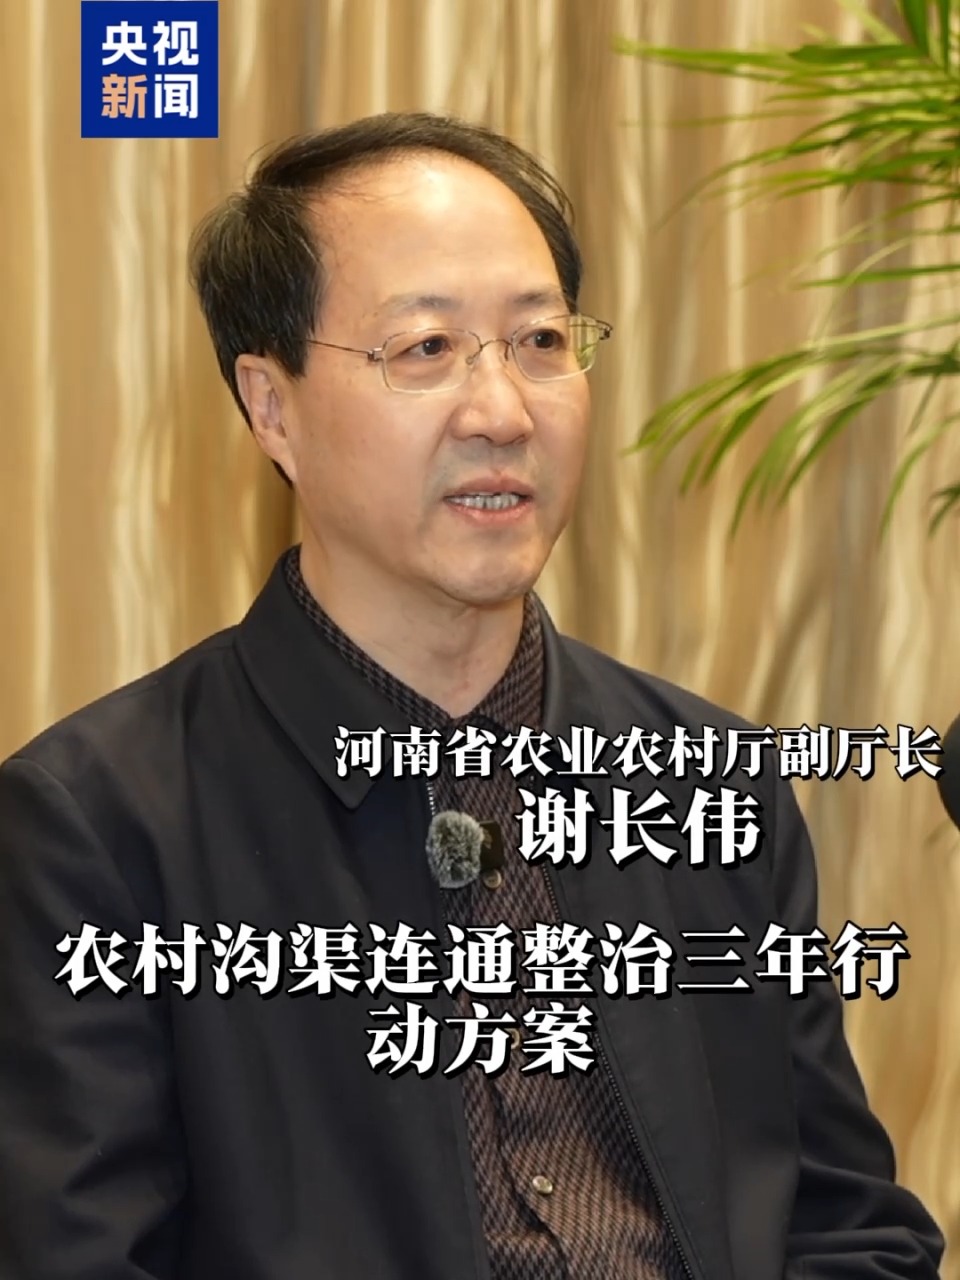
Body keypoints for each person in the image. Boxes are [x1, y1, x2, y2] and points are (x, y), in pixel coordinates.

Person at [0, 112, 943, 1280]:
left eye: (541, 340)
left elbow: (853, 1226)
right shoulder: (96, 828)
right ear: (272, 405)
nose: (502, 411)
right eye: (427, 347)